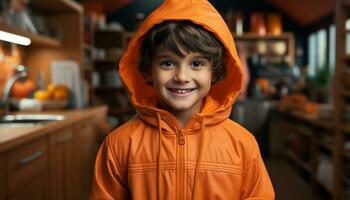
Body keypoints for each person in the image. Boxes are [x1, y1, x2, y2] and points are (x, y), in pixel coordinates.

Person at [90, 0, 275, 199]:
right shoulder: (119, 145)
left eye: (196, 63)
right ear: (148, 70)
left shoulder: (243, 144)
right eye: (168, 63)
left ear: (214, 71)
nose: (182, 76)